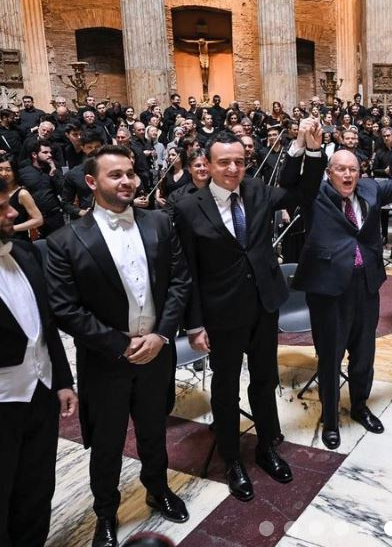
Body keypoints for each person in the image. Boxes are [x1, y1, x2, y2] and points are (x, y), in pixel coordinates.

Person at [46, 145, 192, 546]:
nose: (127, 181)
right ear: (91, 182)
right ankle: (106, 513)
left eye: (130, 173)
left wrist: (162, 335)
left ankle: (157, 489)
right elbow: (65, 309)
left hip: (157, 351)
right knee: (107, 443)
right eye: (116, 175)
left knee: (153, 430)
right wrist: (120, 345)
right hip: (106, 360)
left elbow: (180, 281)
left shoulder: (160, 223)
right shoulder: (65, 240)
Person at [174, 127, 325, 501]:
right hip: (221, 313)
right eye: (224, 162)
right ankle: (232, 459)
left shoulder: (256, 190)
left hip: (263, 305)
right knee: (225, 388)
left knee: (264, 380)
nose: (232, 169)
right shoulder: (189, 207)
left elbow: (302, 192)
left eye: (239, 162)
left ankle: (266, 446)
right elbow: (186, 271)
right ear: (208, 164)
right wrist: (193, 324)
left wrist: (312, 151)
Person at [290, 126, 392, 449]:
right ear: (329, 172)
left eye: (352, 169)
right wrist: (309, 149)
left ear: (360, 172)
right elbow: (295, 180)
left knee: (364, 354)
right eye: (340, 169)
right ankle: (330, 420)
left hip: (365, 284)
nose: (347, 175)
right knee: (330, 357)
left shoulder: (369, 189)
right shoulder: (314, 194)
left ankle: (359, 406)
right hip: (329, 290)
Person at [0, 176, 77, 547]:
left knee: (36, 488)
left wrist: (62, 380)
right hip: (3, 402)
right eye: (2, 208)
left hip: (42, 392)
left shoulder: (24, 252)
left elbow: (45, 324)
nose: (13, 213)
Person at [18, 140, 65, 237]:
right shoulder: (23, 173)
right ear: (34, 155)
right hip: (36, 217)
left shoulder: (54, 169)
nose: (49, 155)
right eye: (45, 152)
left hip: (55, 215)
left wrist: (54, 172)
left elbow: (63, 192)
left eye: (50, 152)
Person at [61, 130, 104, 221]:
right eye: (89, 147)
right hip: (88, 220)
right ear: (82, 148)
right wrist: (81, 212)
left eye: (97, 146)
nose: (94, 150)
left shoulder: (113, 169)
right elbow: (65, 204)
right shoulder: (73, 174)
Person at [0, 153, 43, 240]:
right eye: (0, 169)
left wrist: (12, 228)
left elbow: (38, 220)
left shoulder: (22, 193)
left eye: (8, 170)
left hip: (18, 241)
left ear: (15, 172)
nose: (3, 173)